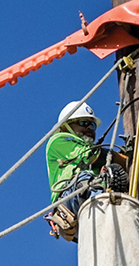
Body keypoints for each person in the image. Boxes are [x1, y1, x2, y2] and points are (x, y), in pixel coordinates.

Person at [44, 100, 128, 241]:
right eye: (83, 123)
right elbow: (93, 156)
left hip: (86, 207)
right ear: (66, 126)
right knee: (90, 178)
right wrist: (129, 161)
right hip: (70, 199)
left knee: (116, 179)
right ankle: (102, 199)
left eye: (92, 125)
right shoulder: (58, 140)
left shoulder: (90, 156)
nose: (90, 128)